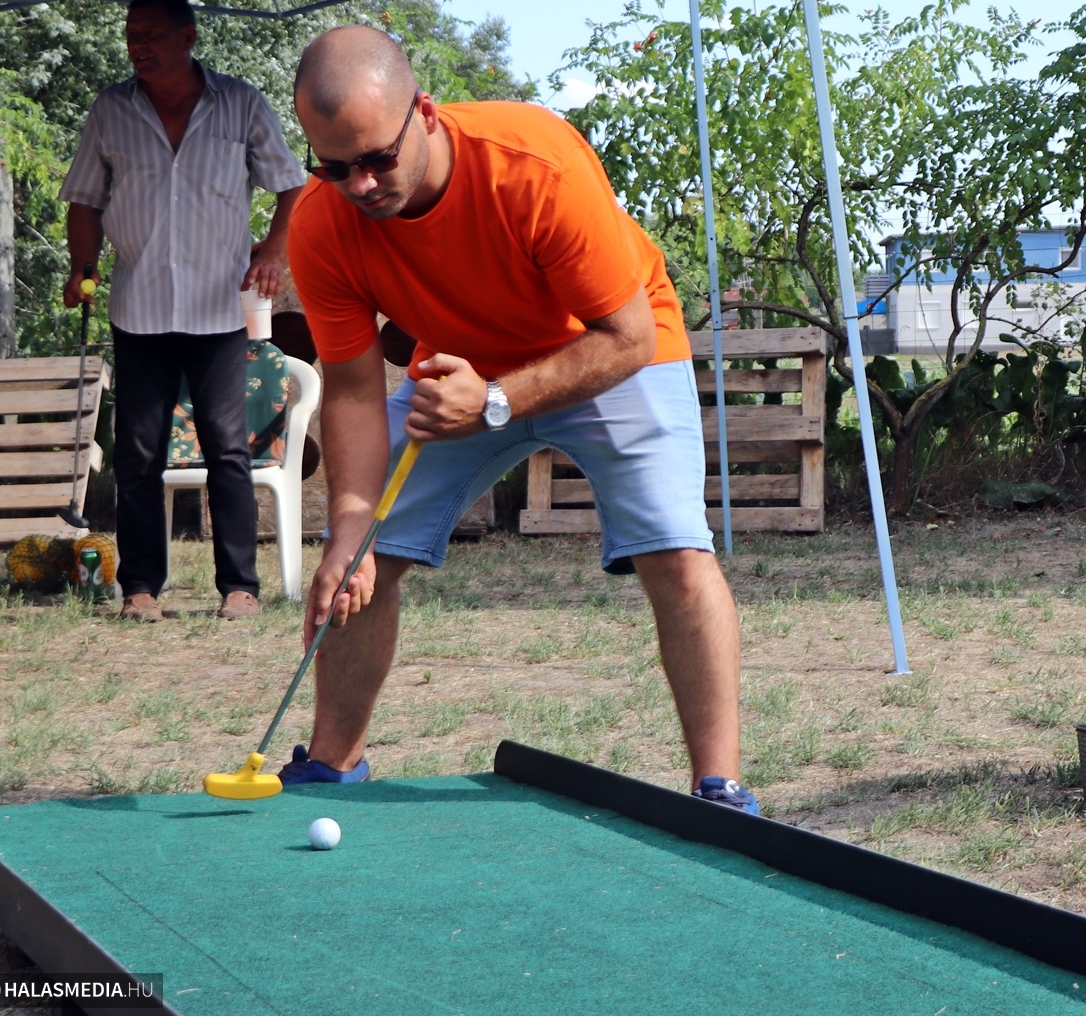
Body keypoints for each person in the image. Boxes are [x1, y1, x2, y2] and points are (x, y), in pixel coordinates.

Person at [280, 27, 756, 813]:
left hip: (606, 350)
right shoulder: (320, 223)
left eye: (377, 159)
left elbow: (628, 337)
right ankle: (332, 765)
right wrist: (348, 529)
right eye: (334, 167)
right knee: (363, 559)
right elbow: (354, 390)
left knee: (674, 550)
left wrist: (496, 401)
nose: (359, 185)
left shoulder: (534, 162)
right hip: (461, 373)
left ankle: (720, 791)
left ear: (424, 113)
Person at [59, 0, 306, 622]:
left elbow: (291, 184)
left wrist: (275, 249)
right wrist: (81, 266)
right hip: (138, 308)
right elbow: (85, 201)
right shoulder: (110, 109)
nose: (137, 45)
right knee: (138, 452)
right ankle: (140, 589)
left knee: (228, 448)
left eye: (151, 34)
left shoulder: (240, 103)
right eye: (130, 35)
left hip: (217, 308)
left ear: (188, 37)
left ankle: (240, 589)